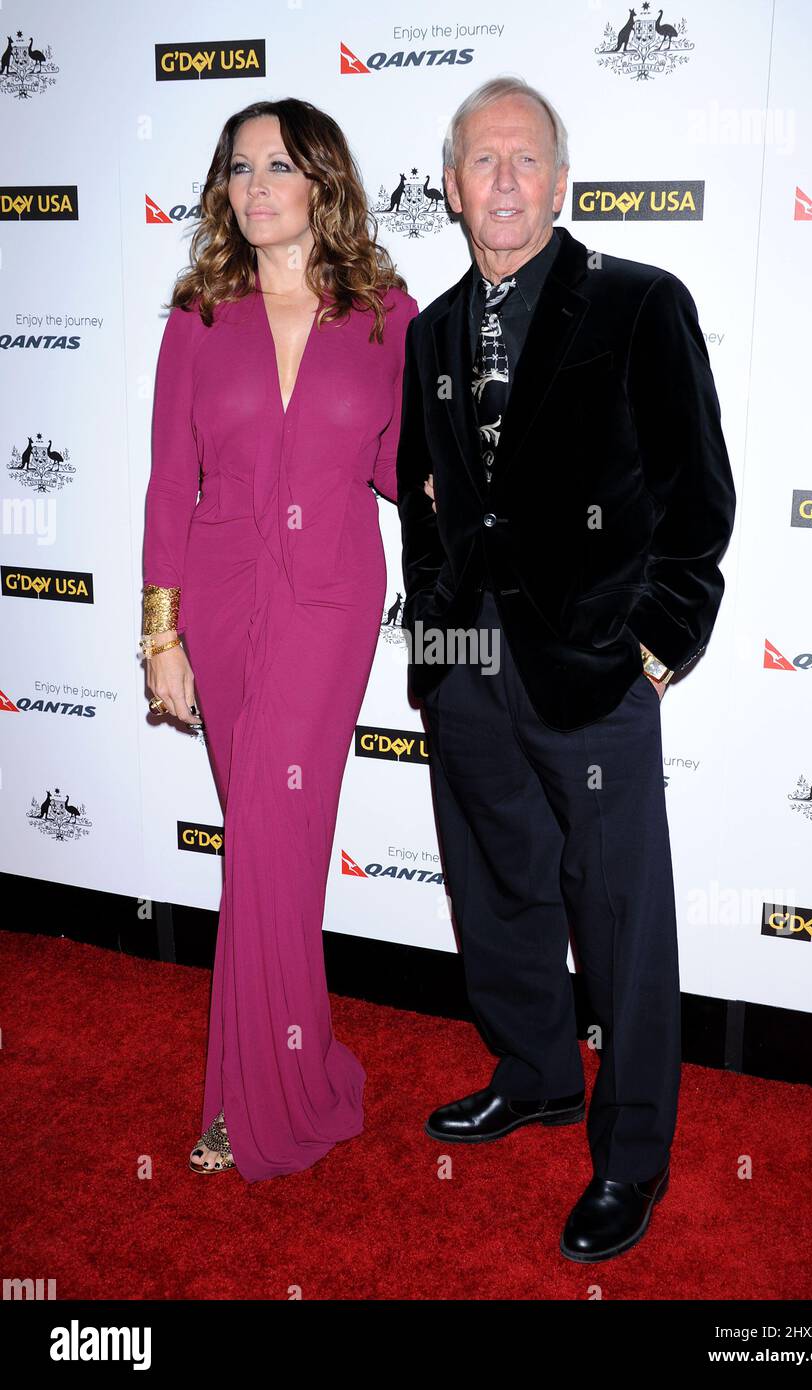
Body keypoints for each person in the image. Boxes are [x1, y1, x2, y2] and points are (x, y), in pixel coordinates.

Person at [397, 76, 735, 1260]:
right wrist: (433, 656)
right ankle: (534, 1071)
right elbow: (427, 511)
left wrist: (655, 642)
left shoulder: (638, 305)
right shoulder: (432, 330)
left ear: (558, 180)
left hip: (590, 670)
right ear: (449, 185)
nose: (500, 181)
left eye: (523, 160)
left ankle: (628, 1155)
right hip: (467, 664)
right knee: (494, 889)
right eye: (478, 162)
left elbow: (698, 499)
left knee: (619, 915)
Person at [141, 98, 417, 1180]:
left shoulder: (386, 314)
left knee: (269, 837)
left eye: (279, 167)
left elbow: (403, 466)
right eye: (239, 169)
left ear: (322, 184)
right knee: (273, 852)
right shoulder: (196, 317)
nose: (255, 188)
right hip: (220, 598)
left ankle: (247, 1100)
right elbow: (171, 484)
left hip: (331, 601)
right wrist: (160, 632)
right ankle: (289, 1077)